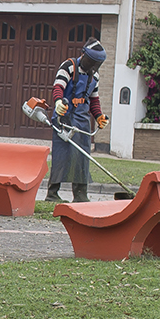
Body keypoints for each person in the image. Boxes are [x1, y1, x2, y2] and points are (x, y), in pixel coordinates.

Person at [46, 39, 109, 202]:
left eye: (97, 64)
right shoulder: (69, 66)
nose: (93, 66)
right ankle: (52, 194)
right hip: (65, 118)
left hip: (82, 121)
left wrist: (99, 116)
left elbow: (94, 100)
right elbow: (58, 87)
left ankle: (80, 194)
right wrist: (58, 102)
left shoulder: (95, 76)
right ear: (84, 55)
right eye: (92, 62)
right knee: (61, 155)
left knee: (82, 157)